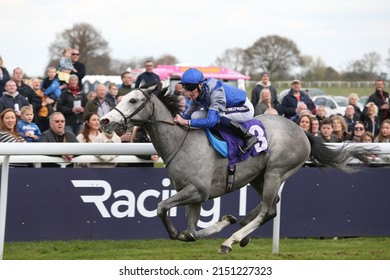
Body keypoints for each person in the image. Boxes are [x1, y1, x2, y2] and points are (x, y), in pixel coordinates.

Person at [174, 68, 258, 153]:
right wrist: (177, 119)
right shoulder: (196, 94)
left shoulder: (215, 91)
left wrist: (185, 122)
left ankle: (248, 136)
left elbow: (211, 121)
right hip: (229, 108)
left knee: (217, 116)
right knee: (196, 116)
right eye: (185, 87)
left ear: (201, 85)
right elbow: (188, 115)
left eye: (190, 88)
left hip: (244, 108)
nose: (188, 93)